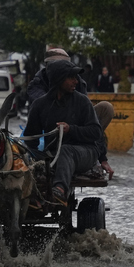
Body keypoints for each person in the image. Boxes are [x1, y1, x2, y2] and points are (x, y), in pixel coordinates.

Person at [23, 59, 104, 205]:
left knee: (66, 150)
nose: (76, 82)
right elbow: (30, 138)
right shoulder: (40, 105)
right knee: (22, 154)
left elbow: (96, 132)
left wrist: (70, 129)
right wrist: (29, 156)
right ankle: (30, 195)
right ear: (58, 79)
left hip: (85, 152)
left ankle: (60, 189)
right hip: (54, 153)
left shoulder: (82, 101)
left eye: (76, 78)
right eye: (71, 77)